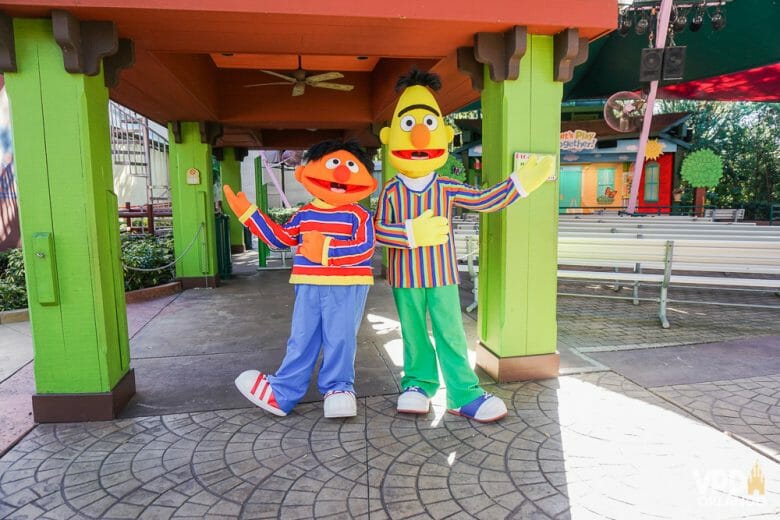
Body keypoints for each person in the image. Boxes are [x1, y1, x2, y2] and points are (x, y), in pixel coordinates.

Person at [374, 69, 554, 423]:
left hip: (441, 275)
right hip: (403, 276)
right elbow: (379, 231)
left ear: (445, 135)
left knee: (450, 332)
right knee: (411, 333)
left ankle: (462, 392)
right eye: (409, 125)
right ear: (389, 136)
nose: (421, 135)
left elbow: (485, 199)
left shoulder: (446, 187)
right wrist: (410, 234)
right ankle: (418, 384)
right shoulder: (391, 190)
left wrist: (520, 184)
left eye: (429, 124)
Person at [223, 140, 377, 418]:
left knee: (340, 338)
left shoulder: (359, 214)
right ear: (306, 172)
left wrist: (326, 251)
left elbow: (365, 249)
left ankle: (339, 388)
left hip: (347, 284)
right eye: (333, 164)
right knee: (302, 337)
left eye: (350, 166)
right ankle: (282, 392)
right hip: (309, 283)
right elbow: (281, 239)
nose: (341, 174)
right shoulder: (304, 214)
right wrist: (251, 216)